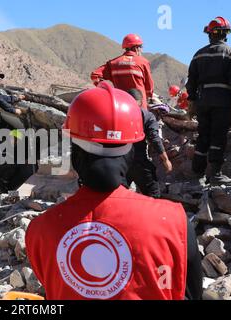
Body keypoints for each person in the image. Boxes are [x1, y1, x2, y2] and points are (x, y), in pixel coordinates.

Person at [26, 82, 203, 300]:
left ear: (76, 154)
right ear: (130, 155)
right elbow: (193, 293)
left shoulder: (40, 230)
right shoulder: (175, 221)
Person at [187, 16, 231, 187]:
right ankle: (216, 175)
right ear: (226, 34)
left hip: (203, 102)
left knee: (203, 137)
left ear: (209, 34)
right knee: (218, 137)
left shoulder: (198, 54)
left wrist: (193, 101)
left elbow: (191, 83)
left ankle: (197, 175)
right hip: (222, 102)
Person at [126, 89, 172, 198]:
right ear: (141, 102)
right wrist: (166, 160)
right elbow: (155, 139)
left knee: (116, 196)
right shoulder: (146, 116)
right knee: (153, 196)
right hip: (139, 162)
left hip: (120, 163)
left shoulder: (118, 114)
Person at [91, 34, 154, 108]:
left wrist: (106, 90)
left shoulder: (113, 63)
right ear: (136, 48)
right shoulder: (143, 62)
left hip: (120, 106)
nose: (142, 50)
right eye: (141, 47)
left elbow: (95, 76)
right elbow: (149, 86)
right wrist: (148, 95)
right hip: (139, 106)